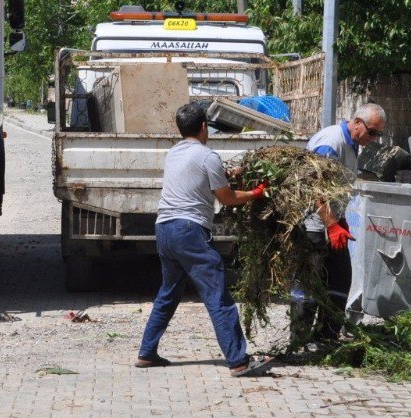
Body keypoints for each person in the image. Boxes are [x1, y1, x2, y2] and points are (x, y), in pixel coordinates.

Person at [136, 102, 273, 377]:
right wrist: (257, 193)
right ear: (203, 127)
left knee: (169, 292)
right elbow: (228, 199)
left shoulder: (173, 153)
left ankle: (147, 353)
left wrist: (228, 175)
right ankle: (238, 361)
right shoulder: (207, 155)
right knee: (217, 295)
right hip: (189, 231)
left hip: (164, 229)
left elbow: (198, 180)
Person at [289, 102, 388, 346]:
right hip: (312, 225)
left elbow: (336, 190)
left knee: (340, 279)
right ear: (357, 122)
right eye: (373, 132)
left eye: (379, 134)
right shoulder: (331, 143)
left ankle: (326, 337)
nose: (375, 138)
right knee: (310, 283)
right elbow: (314, 187)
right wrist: (332, 225)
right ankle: (299, 341)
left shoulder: (352, 144)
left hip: (329, 222)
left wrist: (340, 222)